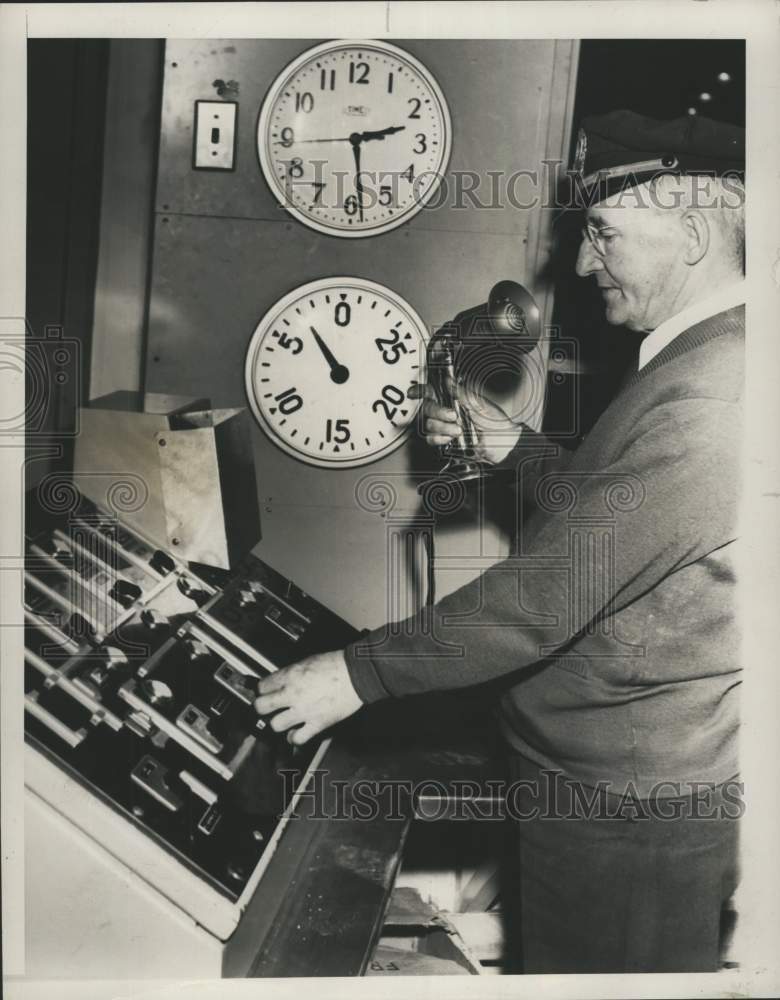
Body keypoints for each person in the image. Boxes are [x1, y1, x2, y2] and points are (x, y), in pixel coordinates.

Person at [253, 110, 746, 973]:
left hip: (622, 818)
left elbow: (549, 595)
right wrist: (512, 449)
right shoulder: (692, 362)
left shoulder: (713, 394)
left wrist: (359, 673)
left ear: (695, 235)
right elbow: (615, 525)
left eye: (602, 232)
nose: (585, 262)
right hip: (598, 796)